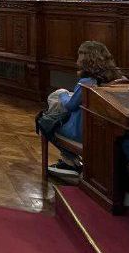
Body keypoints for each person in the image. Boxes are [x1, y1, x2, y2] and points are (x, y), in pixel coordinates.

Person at [45, 41, 124, 178]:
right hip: (108, 130)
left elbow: (70, 106)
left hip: (84, 131)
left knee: (45, 122)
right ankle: (70, 161)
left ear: (85, 59)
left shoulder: (87, 83)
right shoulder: (120, 80)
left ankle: (69, 161)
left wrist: (63, 94)